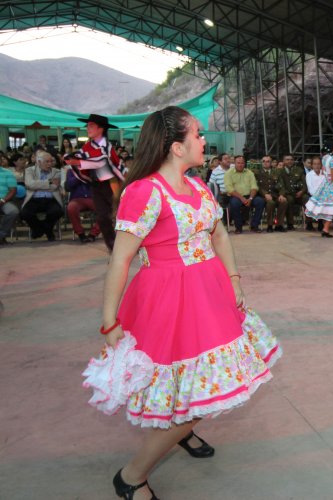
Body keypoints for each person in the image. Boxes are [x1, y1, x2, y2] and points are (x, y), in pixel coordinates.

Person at [96, 106, 281, 499]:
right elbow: (121, 259)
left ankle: (181, 430)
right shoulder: (144, 192)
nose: (204, 140)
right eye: (197, 134)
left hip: (208, 293)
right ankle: (131, 477)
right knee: (196, 393)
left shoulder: (196, 185)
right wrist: (110, 322)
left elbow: (220, 235)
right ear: (177, 147)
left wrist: (233, 280)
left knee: (209, 382)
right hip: (169, 303)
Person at [64, 114, 125, 251]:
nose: (88, 128)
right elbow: (85, 160)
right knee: (103, 217)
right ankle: (113, 246)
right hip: (96, 185)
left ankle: (129, 243)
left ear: (101, 129)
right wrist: (74, 159)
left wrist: (80, 162)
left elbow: (104, 162)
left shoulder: (107, 147)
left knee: (121, 214)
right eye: (88, 125)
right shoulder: (86, 147)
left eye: (91, 126)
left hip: (112, 184)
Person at [21, 151, 64, 241]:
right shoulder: (29, 170)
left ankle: (39, 231)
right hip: (34, 199)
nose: (50, 164)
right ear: (39, 162)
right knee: (25, 213)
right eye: (47, 161)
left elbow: (54, 187)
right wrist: (49, 182)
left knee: (57, 211)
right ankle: (46, 231)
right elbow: (30, 184)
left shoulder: (57, 171)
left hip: (51, 198)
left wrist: (37, 185)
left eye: (51, 161)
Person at [224, 155, 264, 234]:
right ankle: (238, 227)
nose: (240, 165)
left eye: (242, 163)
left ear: (244, 164)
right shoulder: (228, 173)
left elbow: (254, 187)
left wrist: (250, 199)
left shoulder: (250, 173)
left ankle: (254, 226)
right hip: (236, 196)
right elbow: (230, 190)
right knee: (234, 204)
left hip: (249, 196)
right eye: (238, 163)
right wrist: (242, 199)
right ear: (234, 163)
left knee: (260, 201)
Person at [64, 167, 100, 243]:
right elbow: (68, 187)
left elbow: (99, 185)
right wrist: (79, 177)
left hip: (93, 198)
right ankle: (81, 234)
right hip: (76, 199)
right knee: (71, 208)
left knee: (106, 210)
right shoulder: (71, 171)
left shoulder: (93, 170)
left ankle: (93, 234)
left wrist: (91, 179)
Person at [254, 155, 289, 233]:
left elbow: (281, 184)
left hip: (275, 195)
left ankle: (279, 225)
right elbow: (257, 186)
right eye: (264, 161)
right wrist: (265, 194)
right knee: (271, 203)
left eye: (268, 161)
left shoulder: (276, 171)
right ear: (261, 163)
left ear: (271, 163)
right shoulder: (257, 172)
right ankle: (269, 225)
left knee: (284, 201)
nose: (266, 163)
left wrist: (281, 195)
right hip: (263, 196)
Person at [305, 156, 326, 231]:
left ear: (321, 165)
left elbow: (326, 186)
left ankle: (321, 222)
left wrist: (322, 195)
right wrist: (317, 196)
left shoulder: (324, 174)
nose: (316, 166)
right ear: (312, 165)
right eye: (315, 164)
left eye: (318, 164)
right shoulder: (309, 175)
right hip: (313, 195)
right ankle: (309, 223)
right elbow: (310, 188)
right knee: (309, 200)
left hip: (324, 195)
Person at [0, 162, 19, 245]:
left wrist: (3, 200)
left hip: (4, 200)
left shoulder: (7, 173)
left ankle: (1, 235)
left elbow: (13, 190)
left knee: (13, 211)